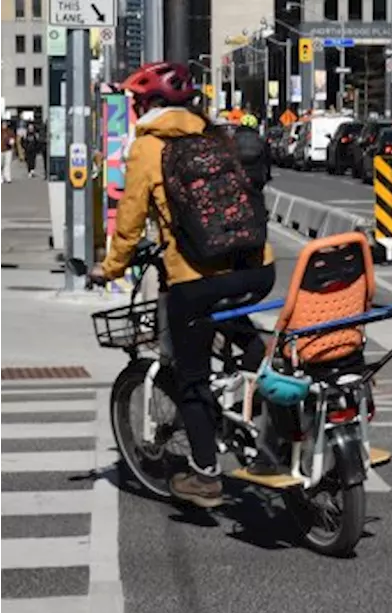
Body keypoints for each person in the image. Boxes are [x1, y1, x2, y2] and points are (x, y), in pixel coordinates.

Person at [87, 62, 277, 509]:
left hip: (196, 277)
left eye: (136, 103)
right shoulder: (217, 135)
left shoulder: (149, 147)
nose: (134, 110)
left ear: (148, 105)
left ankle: (206, 475)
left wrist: (110, 269)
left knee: (191, 377)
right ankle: (273, 423)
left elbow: (131, 220)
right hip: (256, 268)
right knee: (241, 338)